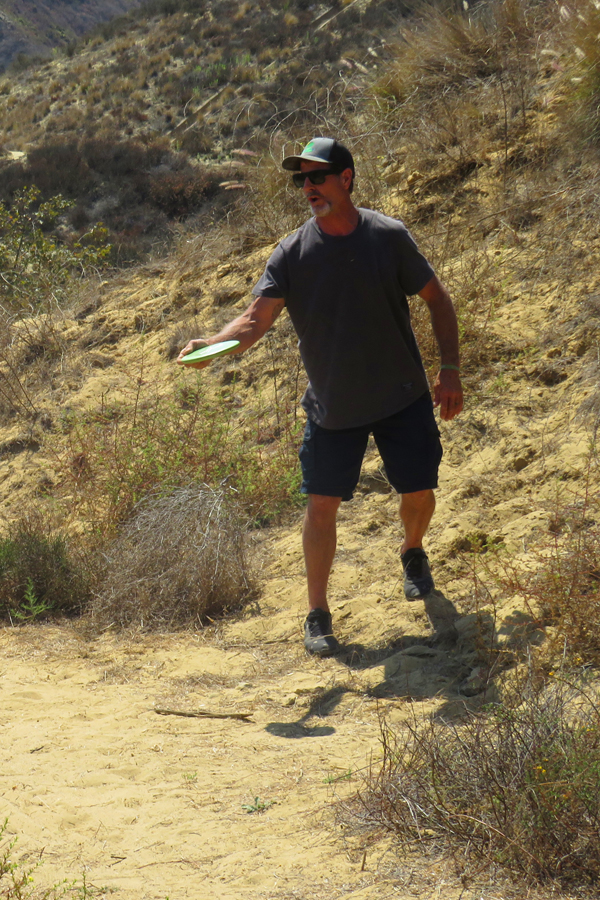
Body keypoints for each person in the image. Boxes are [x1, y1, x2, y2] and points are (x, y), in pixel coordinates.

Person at [177, 137, 463, 656]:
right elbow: (254, 320)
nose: (307, 187)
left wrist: (449, 369)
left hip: (403, 396)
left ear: (346, 179)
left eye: (317, 176)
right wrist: (213, 345)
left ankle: (413, 551)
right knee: (320, 507)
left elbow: (438, 299)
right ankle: (317, 613)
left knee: (418, 492)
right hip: (334, 407)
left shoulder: (388, 237)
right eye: (300, 180)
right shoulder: (291, 254)